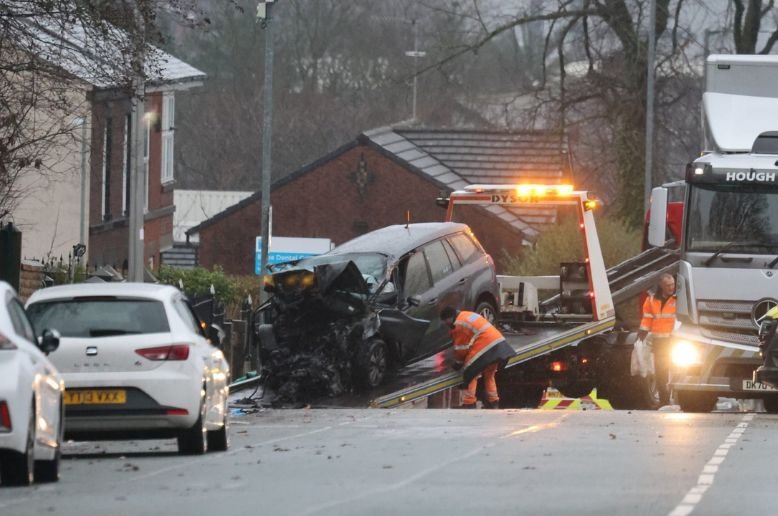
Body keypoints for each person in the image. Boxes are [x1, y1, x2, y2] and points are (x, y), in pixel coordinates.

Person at [440, 306, 515, 409]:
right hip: (499, 344)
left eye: (445, 322)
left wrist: (458, 363)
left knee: (471, 372)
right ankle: (494, 401)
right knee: (489, 374)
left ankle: (469, 403)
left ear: (449, 318)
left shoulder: (459, 324)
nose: (446, 325)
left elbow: (461, 348)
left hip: (486, 345)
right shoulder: (466, 314)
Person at [638, 273, 677, 405]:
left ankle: (677, 398)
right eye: (668, 285)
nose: (671, 288)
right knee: (661, 371)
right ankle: (664, 400)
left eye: (672, 284)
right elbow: (647, 319)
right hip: (660, 342)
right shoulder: (651, 300)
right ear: (661, 285)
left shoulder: (678, 299)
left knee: (678, 370)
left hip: (675, 341)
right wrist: (642, 333)